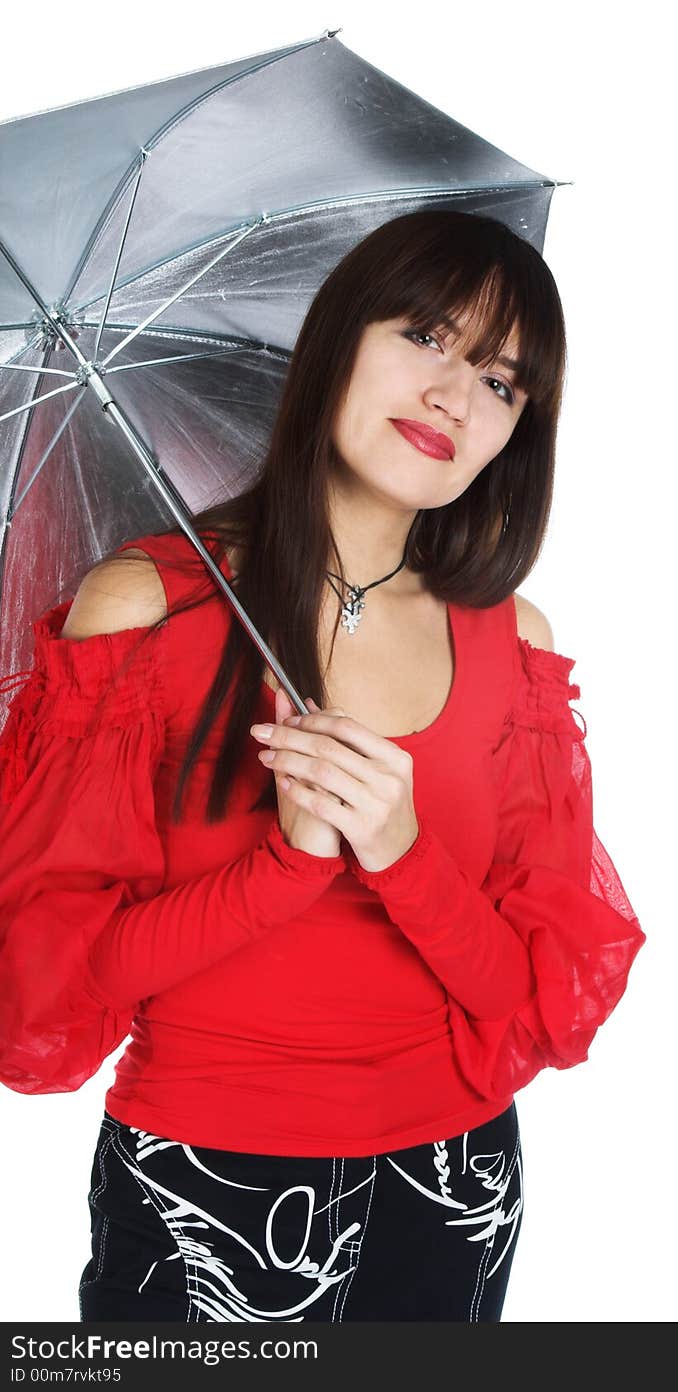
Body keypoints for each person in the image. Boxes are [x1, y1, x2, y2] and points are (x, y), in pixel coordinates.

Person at [0, 209, 645, 1322]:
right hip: (207, 1183)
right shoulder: (145, 607)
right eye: (429, 337)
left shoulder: (515, 644)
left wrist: (399, 853)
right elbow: (49, 995)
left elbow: (534, 1006)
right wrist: (285, 867)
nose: (455, 397)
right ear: (337, 338)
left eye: (502, 383)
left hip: (454, 1181)